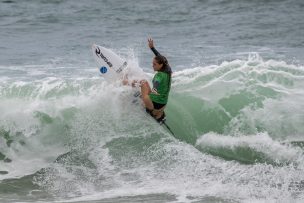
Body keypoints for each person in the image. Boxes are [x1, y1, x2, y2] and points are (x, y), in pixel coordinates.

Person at [124, 38, 172, 123]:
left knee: (143, 82)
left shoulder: (159, 75)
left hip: (153, 105)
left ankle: (126, 82)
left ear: (161, 65)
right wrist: (152, 48)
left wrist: (154, 89)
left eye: (154, 64)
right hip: (162, 104)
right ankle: (159, 116)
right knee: (145, 87)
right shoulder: (168, 70)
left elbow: (157, 82)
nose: (152, 66)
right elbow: (162, 59)